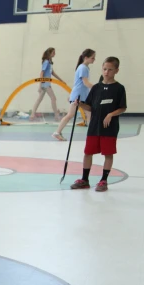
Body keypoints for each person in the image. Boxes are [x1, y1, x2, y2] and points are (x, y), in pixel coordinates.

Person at [72, 57, 126, 192]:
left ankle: (103, 180)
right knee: (88, 152)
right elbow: (90, 107)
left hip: (109, 127)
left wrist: (110, 114)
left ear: (116, 71)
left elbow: (122, 107)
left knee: (108, 153)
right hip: (94, 126)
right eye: (104, 69)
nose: (106, 72)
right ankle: (84, 179)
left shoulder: (119, 88)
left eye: (110, 69)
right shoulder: (96, 88)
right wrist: (80, 104)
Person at [54, 48, 95, 141]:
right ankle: (92, 134)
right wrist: (97, 87)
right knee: (77, 114)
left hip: (81, 94)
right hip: (79, 96)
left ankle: (91, 134)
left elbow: (79, 83)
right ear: (86, 57)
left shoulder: (84, 67)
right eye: (92, 58)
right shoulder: (83, 67)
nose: (94, 60)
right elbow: (85, 83)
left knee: (88, 113)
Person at [31, 47, 64, 122]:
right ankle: (56, 116)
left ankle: (32, 115)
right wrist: (40, 85)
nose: (54, 54)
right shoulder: (46, 62)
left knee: (39, 99)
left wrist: (61, 80)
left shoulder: (50, 62)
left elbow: (52, 73)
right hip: (45, 84)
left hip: (46, 83)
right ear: (50, 53)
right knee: (53, 98)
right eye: (53, 52)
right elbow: (41, 73)